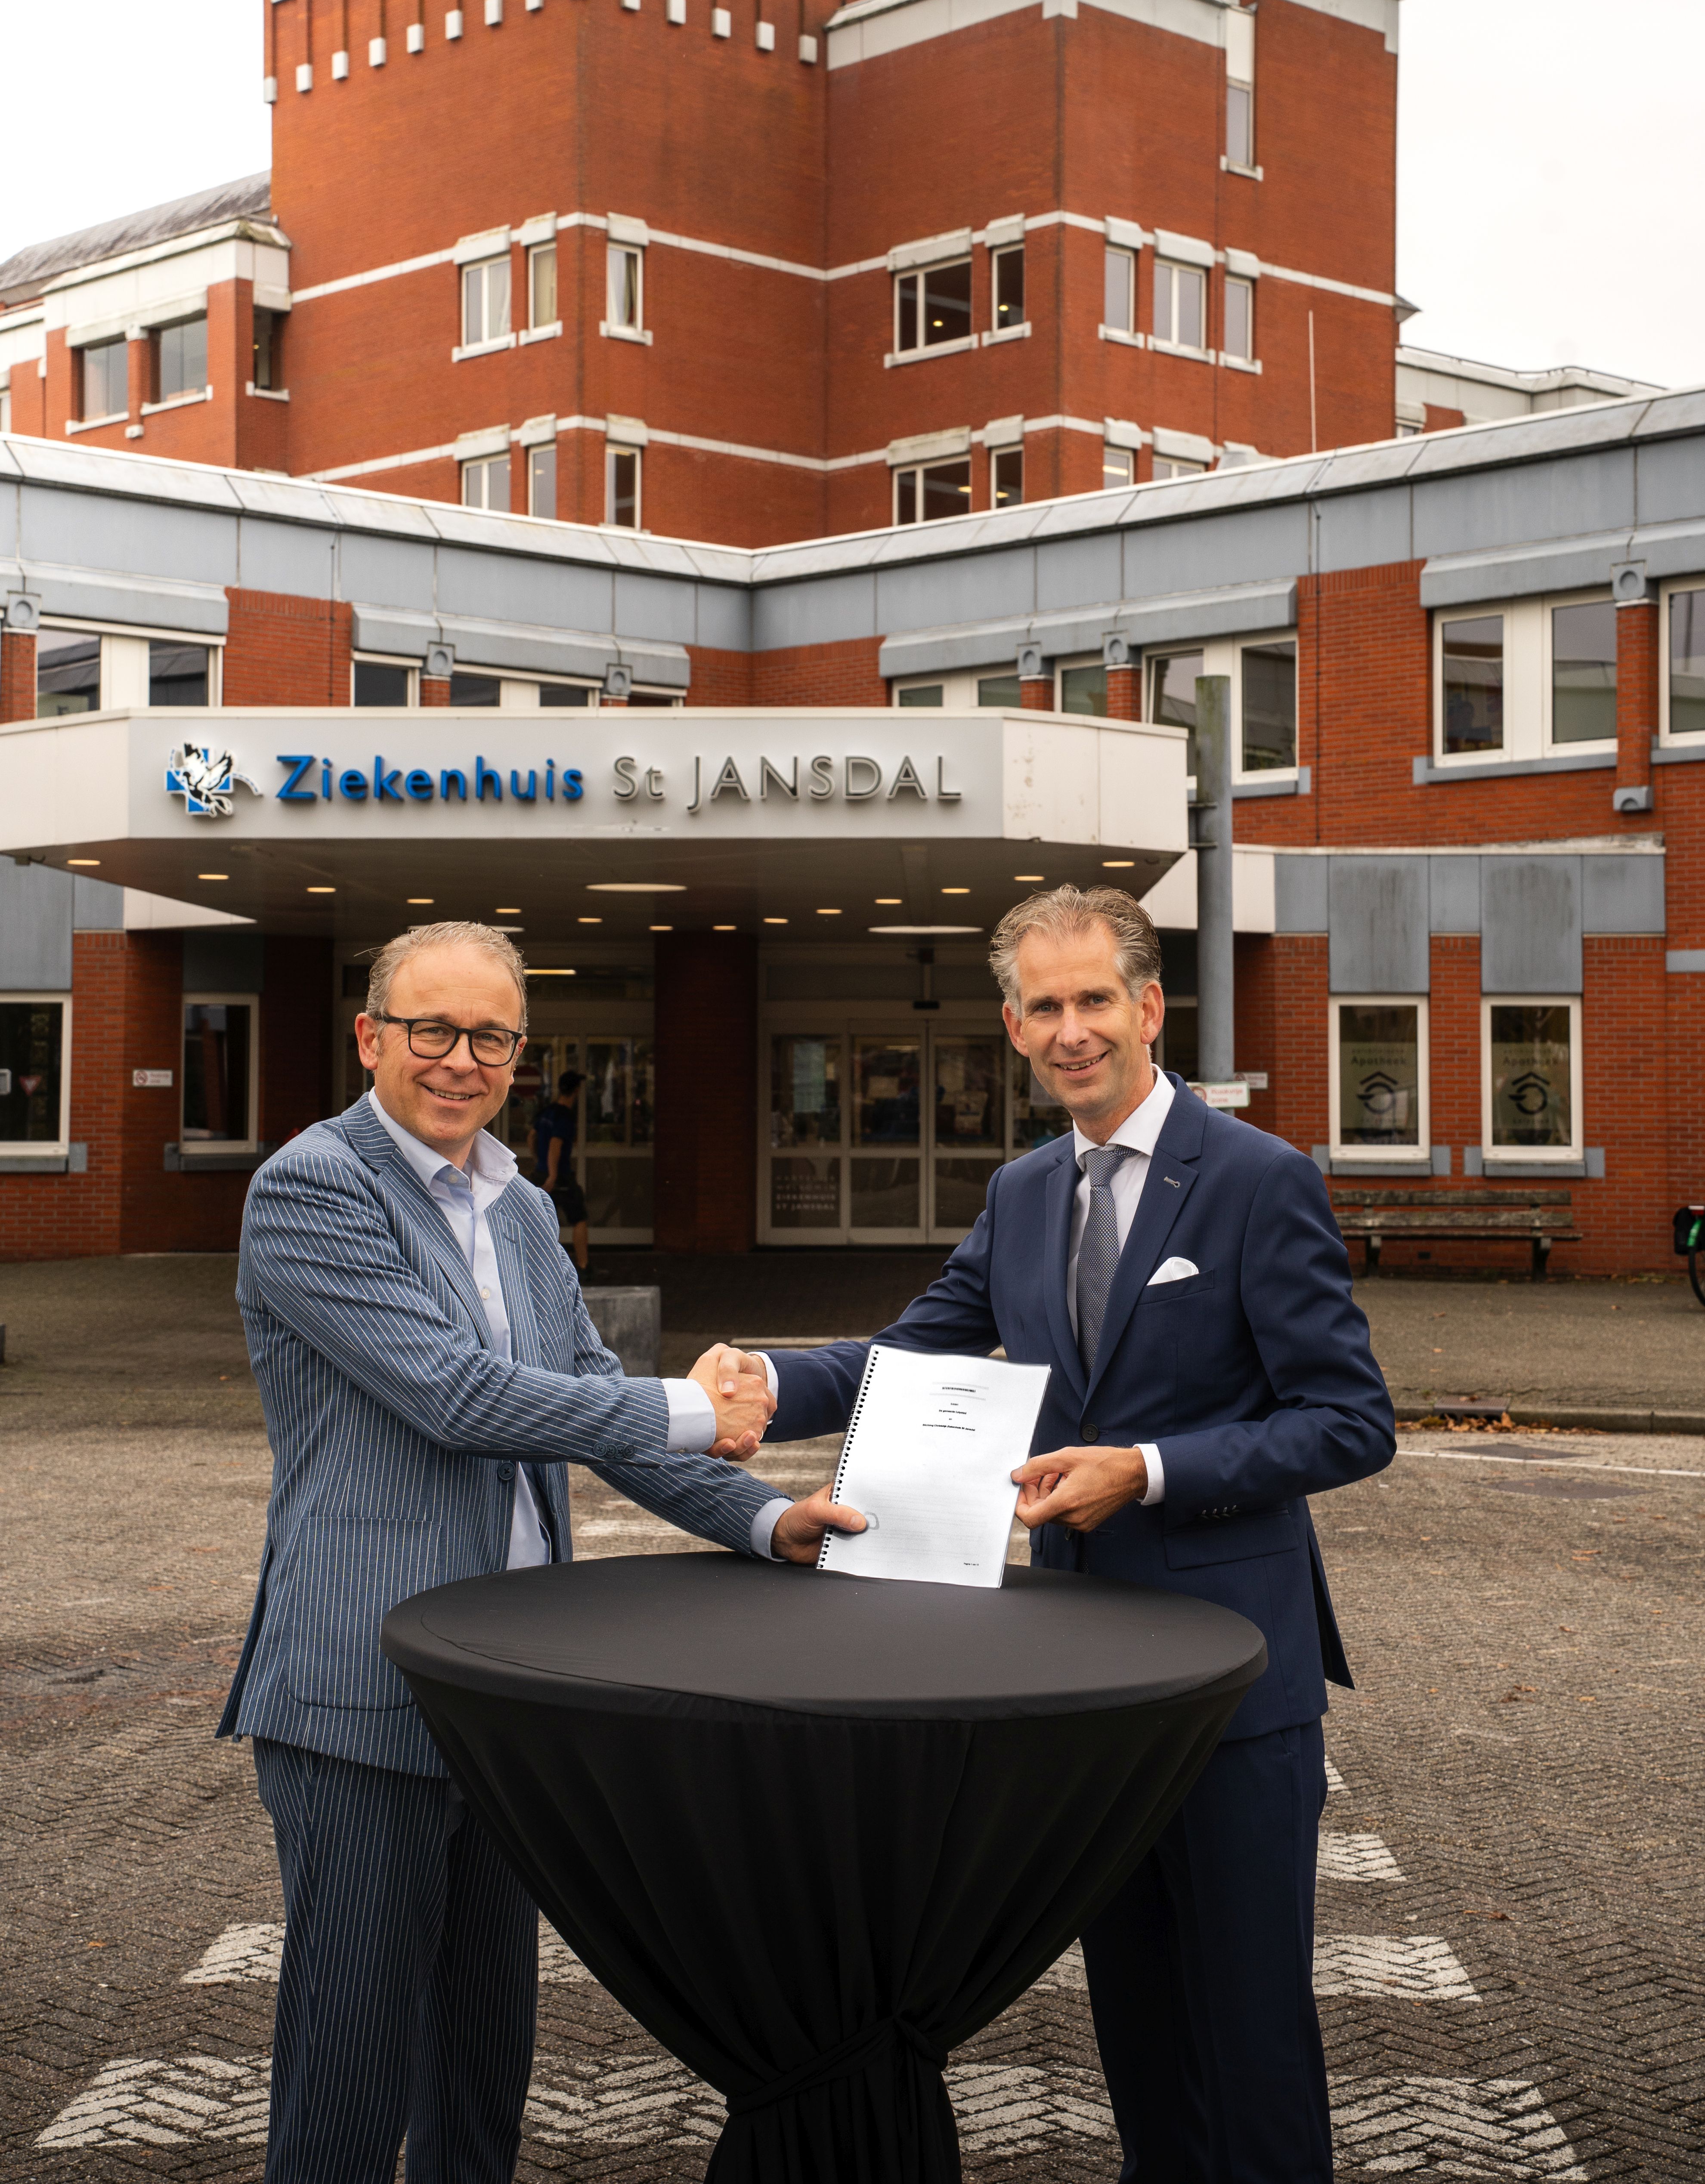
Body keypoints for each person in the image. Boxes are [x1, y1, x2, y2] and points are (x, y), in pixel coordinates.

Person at [742, 884, 1396, 2184]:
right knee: (1139, 2018)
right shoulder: (1027, 1189)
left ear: (1149, 1007)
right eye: (1044, 1006)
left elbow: (1350, 1421)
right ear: (1013, 1025)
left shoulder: (1260, 1180)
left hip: (1236, 1682)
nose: (1071, 1029)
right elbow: (909, 1348)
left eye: (1095, 999)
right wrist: (763, 1389)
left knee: (1251, 2027)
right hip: (1090, 1680)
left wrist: (1146, 1470)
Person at [218, 920, 861, 2184]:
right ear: (371, 1038)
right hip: (368, 1694)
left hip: (508, 1696)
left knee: (482, 2056)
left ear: (522, 1051)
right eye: (433, 1030)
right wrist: (695, 1402)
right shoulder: (312, 1188)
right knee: (349, 2076)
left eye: (493, 1036)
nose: (462, 1060)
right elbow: (457, 1397)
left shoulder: (520, 1208)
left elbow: (584, 1399)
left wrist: (762, 1517)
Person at [534, 1064, 588, 1273]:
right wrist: (553, 1174)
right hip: (560, 1176)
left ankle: (543, 1269)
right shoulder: (565, 1116)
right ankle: (584, 1266)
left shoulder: (548, 1111)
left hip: (542, 1172)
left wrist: (539, 1159)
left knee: (542, 1219)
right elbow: (556, 1145)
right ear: (576, 1090)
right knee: (579, 1218)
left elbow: (533, 1136)